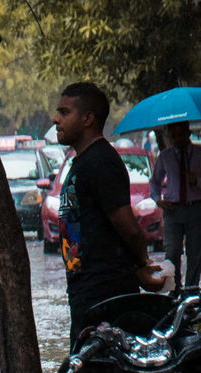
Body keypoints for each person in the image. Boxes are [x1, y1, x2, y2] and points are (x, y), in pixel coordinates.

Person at [52, 82, 164, 347]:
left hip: (105, 291)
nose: (56, 119)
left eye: (64, 112)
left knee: (97, 371)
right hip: (85, 287)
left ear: (88, 118)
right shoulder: (84, 161)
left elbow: (128, 226)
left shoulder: (101, 161)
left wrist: (141, 265)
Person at [150, 121, 201, 292]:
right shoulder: (165, 156)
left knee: (195, 253)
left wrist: (197, 181)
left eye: (181, 134)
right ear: (169, 137)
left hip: (195, 208)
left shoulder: (199, 153)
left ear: (188, 133)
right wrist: (158, 199)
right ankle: (175, 290)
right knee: (172, 252)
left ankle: (191, 291)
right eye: (174, 136)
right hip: (172, 209)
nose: (178, 139)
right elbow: (155, 181)